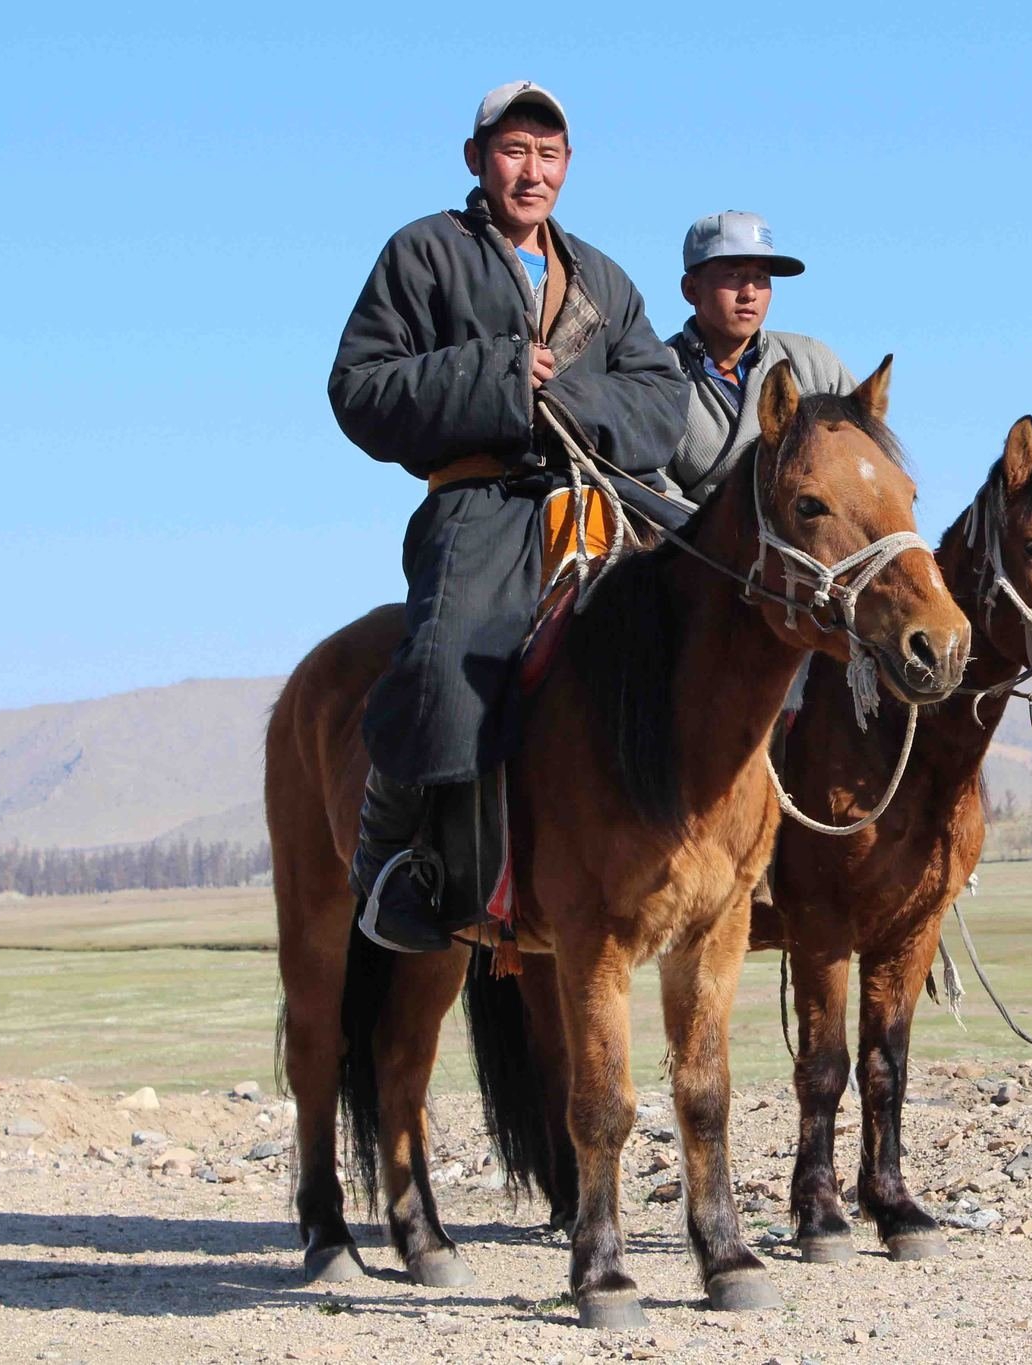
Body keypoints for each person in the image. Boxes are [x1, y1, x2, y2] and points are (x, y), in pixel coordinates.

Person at [328, 81, 688, 952]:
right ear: (477, 159)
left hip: (599, 499)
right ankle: (391, 857)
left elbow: (663, 402)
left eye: (549, 154)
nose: (533, 172)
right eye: (515, 151)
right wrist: (496, 379)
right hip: (483, 499)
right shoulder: (422, 253)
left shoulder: (603, 277)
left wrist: (568, 394)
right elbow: (358, 388)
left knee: (731, 592)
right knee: (453, 655)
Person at [661, 211, 856, 499]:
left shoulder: (814, 362)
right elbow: (651, 485)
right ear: (691, 289)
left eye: (761, 277)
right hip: (701, 540)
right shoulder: (658, 372)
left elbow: (868, 454)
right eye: (734, 275)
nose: (750, 292)